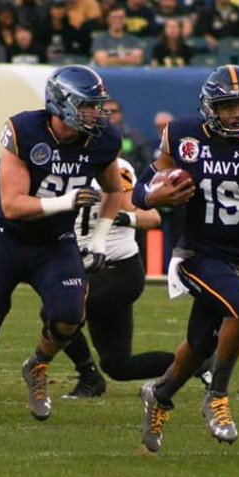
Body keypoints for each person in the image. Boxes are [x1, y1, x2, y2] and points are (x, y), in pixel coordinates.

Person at [0, 65, 124, 429]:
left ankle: (37, 366)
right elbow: (12, 205)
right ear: (62, 104)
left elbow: (115, 191)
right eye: (87, 106)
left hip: (55, 244)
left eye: (97, 106)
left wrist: (99, 239)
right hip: (7, 240)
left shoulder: (102, 140)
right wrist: (66, 201)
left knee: (70, 316)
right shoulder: (26, 130)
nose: (96, 114)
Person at [131, 65, 239, 452]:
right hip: (196, 254)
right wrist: (154, 197)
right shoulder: (184, 135)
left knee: (199, 344)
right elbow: (141, 190)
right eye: (229, 107)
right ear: (211, 108)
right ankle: (217, 395)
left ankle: (159, 395)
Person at [60, 158, 174, 398]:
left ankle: (89, 378)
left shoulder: (115, 168)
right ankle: (198, 363)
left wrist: (126, 218)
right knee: (118, 366)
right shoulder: (63, 168)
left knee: (58, 312)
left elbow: (152, 217)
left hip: (119, 271)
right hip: (88, 271)